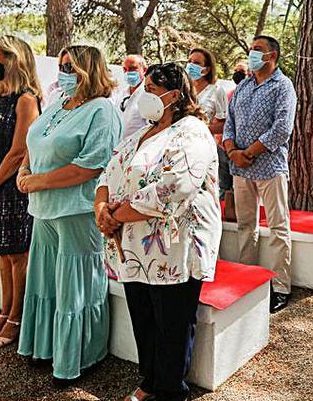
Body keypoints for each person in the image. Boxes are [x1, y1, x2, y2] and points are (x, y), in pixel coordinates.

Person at [96, 62, 221, 401]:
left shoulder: (193, 131)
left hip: (173, 248)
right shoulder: (140, 133)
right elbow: (108, 173)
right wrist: (101, 207)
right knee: (144, 317)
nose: (143, 95)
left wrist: (116, 215)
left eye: (151, 89)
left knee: (172, 324)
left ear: (175, 95)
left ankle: (170, 390)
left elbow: (173, 188)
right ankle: (149, 381)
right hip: (134, 248)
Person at [17, 45, 122, 384]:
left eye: (71, 67)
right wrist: (23, 170)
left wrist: (36, 181)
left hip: (76, 210)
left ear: (90, 70)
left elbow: (90, 167)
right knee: (45, 281)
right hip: (44, 209)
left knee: (75, 287)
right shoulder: (57, 104)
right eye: (62, 66)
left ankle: (77, 356)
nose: (64, 73)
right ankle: (45, 347)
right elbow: (35, 142)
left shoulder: (102, 109)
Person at [0, 35, 42, 349]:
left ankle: (16, 317)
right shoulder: (0, 97)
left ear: (14, 60)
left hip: (13, 187)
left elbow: (18, 153)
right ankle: (4, 312)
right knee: (4, 254)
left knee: (17, 255)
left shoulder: (27, 99)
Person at [223, 35, 297, 313]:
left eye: (258, 50)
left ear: (273, 56)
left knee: (278, 227)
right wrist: (232, 152)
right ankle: (247, 279)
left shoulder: (283, 86)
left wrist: (249, 152)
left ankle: (280, 287)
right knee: (246, 226)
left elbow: (282, 129)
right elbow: (229, 123)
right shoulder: (242, 87)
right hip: (240, 168)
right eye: (251, 49)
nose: (252, 54)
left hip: (270, 167)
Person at [188, 48, 230, 198]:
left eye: (197, 63)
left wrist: (202, 128)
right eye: (190, 62)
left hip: (203, 147)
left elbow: (224, 125)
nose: (191, 66)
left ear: (206, 69)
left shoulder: (216, 91)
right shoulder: (183, 90)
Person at [112, 54, 149, 139]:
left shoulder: (148, 95)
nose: (128, 72)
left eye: (132, 68)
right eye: (125, 69)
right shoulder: (122, 93)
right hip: (118, 147)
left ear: (144, 70)